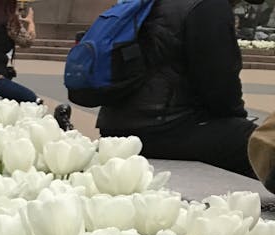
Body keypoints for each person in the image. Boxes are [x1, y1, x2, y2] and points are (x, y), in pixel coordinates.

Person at [95, 0, 258, 178]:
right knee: (263, 144)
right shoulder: (208, 6)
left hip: (115, 128)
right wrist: (237, 121)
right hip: (161, 129)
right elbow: (221, 90)